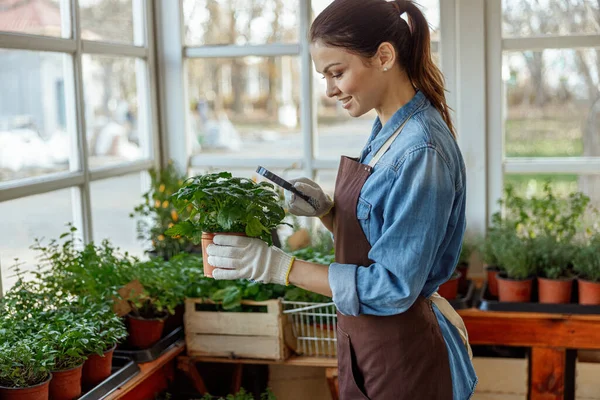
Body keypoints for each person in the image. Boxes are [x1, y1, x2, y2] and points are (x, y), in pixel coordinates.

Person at [206, 0, 477, 398]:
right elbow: (381, 232)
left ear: (384, 56)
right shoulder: (388, 128)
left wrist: (279, 266)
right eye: (324, 76)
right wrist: (328, 211)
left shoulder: (421, 151)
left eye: (337, 73)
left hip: (404, 356)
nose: (330, 90)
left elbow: (393, 284)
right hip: (368, 342)